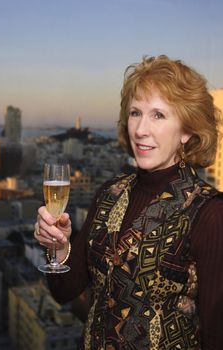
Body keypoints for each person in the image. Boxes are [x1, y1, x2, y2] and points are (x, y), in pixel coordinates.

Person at [34, 55, 223, 349]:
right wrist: (58, 246)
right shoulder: (110, 193)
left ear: (187, 130)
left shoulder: (209, 213)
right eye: (136, 113)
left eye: (158, 115)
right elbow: (64, 291)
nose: (140, 130)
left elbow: (216, 332)